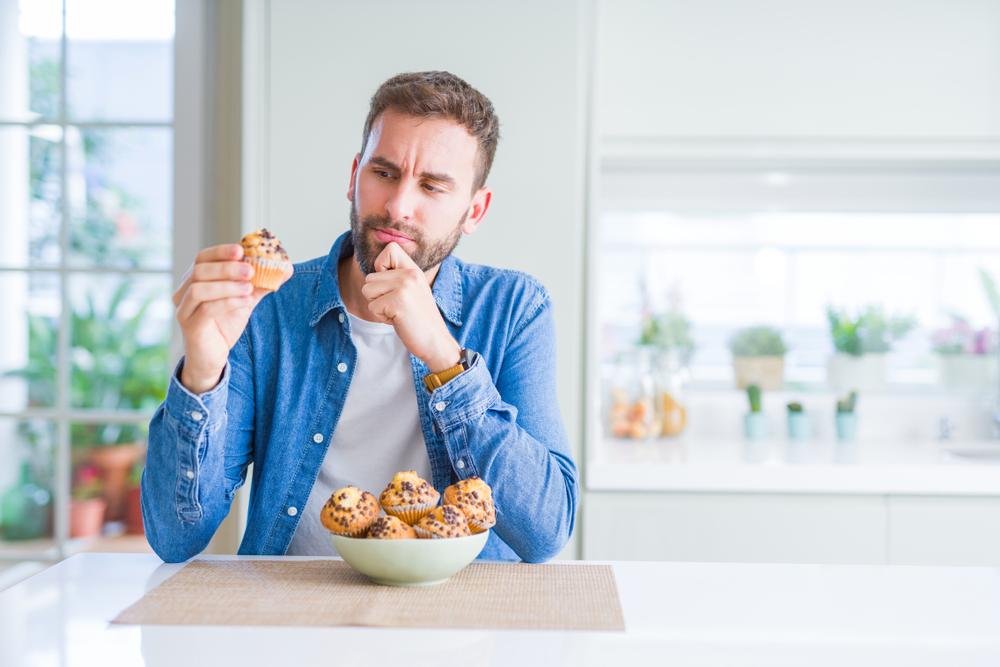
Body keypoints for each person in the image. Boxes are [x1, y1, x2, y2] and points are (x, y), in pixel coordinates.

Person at [142, 71, 578, 563]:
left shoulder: (515, 309)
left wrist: (445, 358)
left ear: (474, 211)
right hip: (289, 619)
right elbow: (174, 538)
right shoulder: (267, 309)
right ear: (354, 176)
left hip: (457, 621)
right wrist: (201, 372)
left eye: (433, 186)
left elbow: (546, 532)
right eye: (384, 173)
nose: (397, 207)